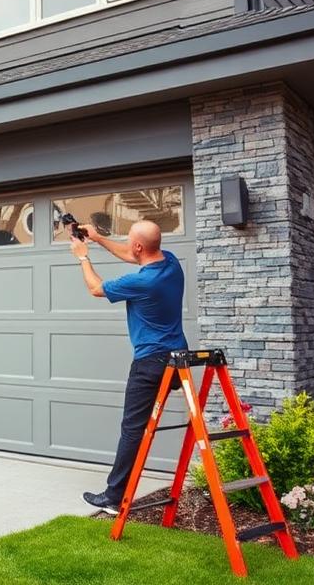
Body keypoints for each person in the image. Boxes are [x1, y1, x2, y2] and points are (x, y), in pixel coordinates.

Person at [69, 220, 188, 514]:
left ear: (139, 246)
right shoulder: (170, 263)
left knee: (132, 429)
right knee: (139, 426)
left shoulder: (143, 282)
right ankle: (117, 490)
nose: (129, 248)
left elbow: (96, 289)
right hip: (176, 358)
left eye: (131, 242)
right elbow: (130, 253)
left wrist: (83, 256)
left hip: (151, 364)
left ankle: (113, 496)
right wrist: (97, 238)